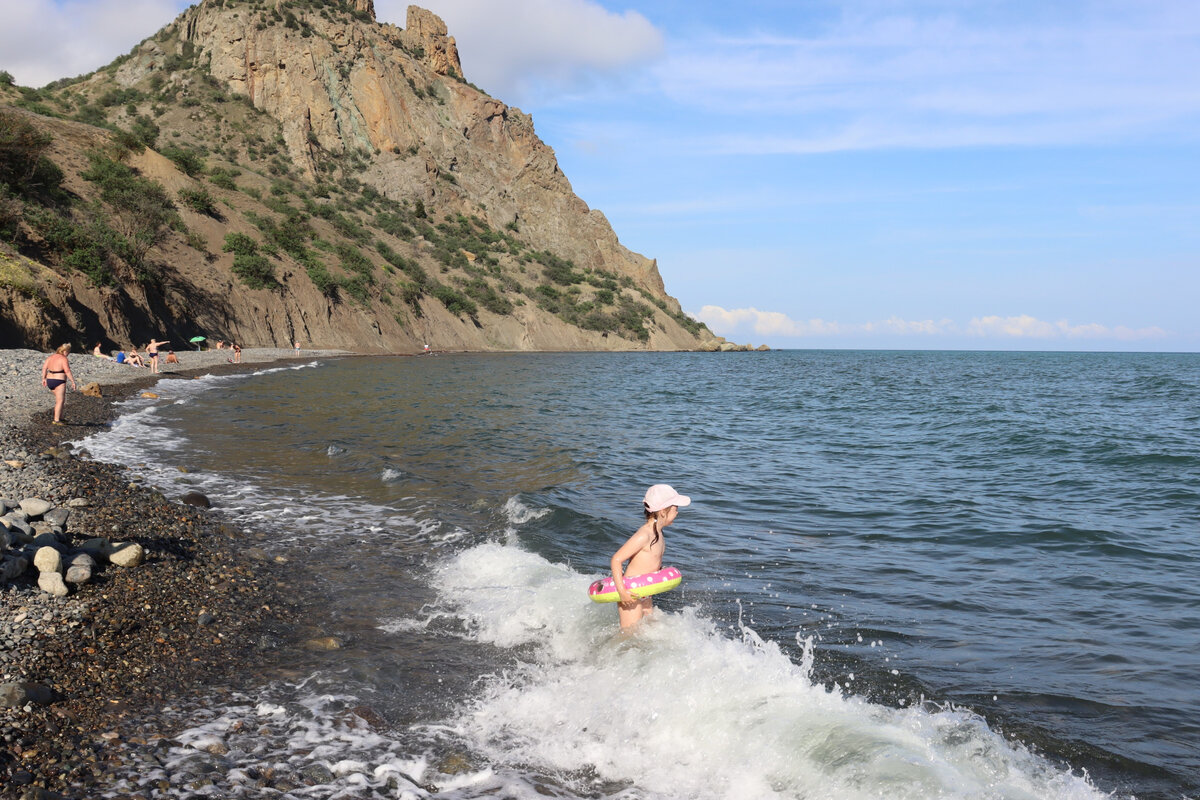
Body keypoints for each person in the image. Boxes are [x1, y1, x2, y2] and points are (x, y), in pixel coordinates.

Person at [609, 484, 691, 630]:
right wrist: (622, 592)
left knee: (648, 630)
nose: (678, 513)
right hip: (631, 594)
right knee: (629, 635)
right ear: (662, 511)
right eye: (675, 509)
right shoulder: (644, 535)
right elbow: (616, 559)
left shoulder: (658, 533)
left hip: (645, 591)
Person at [41, 344, 77, 426]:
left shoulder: (50, 357)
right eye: (68, 352)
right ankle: (56, 420)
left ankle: (60, 417)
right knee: (60, 401)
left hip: (50, 380)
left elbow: (44, 368)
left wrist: (43, 378)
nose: (68, 354)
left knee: (60, 400)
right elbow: (67, 371)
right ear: (65, 351)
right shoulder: (63, 358)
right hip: (59, 380)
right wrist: (73, 381)